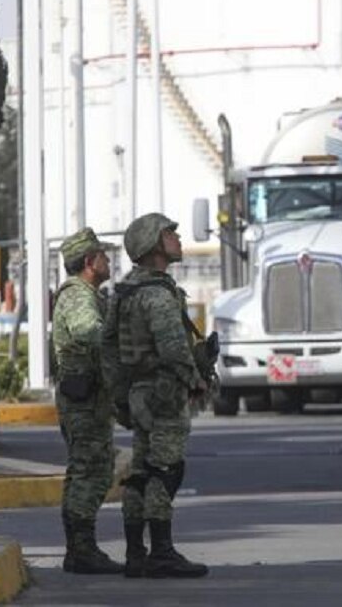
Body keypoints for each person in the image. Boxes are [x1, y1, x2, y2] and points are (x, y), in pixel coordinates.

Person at [103, 213, 210, 579]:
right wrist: (194, 380)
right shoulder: (158, 296)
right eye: (169, 234)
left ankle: (136, 553)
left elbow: (110, 348)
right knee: (166, 470)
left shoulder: (126, 291)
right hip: (164, 394)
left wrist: (121, 395)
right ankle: (162, 552)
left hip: (138, 392)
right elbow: (173, 350)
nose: (177, 240)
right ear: (153, 245)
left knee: (140, 471)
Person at [52, 227, 123, 575]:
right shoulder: (79, 296)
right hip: (83, 400)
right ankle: (80, 550)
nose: (109, 261)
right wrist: (120, 337)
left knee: (94, 469)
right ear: (90, 262)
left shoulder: (89, 294)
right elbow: (88, 332)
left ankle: (81, 548)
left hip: (92, 398)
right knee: (86, 472)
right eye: (104, 256)